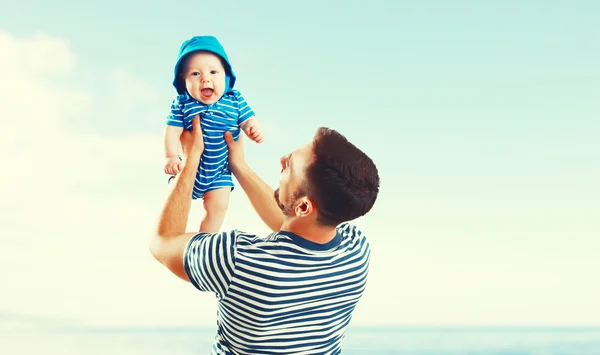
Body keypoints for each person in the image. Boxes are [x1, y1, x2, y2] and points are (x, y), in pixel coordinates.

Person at [150, 116, 380, 355]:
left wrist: (190, 160)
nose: (281, 159)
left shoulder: (237, 260)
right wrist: (239, 166)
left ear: (303, 207)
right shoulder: (357, 252)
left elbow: (163, 242)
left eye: (289, 164)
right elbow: (296, 226)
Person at [163, 35, 263, 233]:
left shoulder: (234, 100)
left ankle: (205, 238)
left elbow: (248, 119)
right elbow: (171, 131)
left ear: (226, 76)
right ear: (183, 79)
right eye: (195, 74)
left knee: (219, 206)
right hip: (187, 170)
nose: (205, 78)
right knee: (174, 201)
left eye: (213, 72)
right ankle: (173, 234)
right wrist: (171, 156)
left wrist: (253, 128)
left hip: (219, 172)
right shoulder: (182, 104)